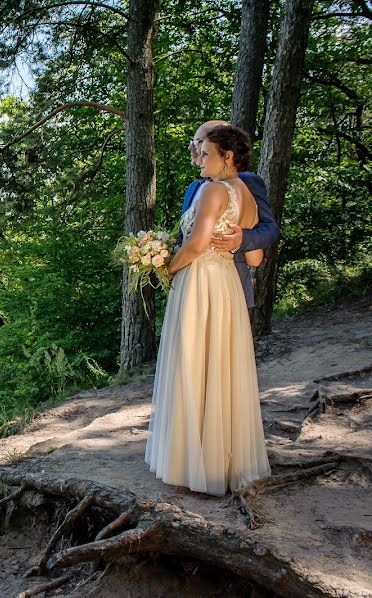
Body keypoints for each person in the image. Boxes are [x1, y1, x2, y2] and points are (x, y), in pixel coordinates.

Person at [145, 124, 271, 495]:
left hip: (200, 284)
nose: (198, 156)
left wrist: (164, 270)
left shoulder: (216, 189)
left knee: (194, 362)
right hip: (227, 288)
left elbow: (198, 244)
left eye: (205, 151)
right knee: (221, 366)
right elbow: (255, 257)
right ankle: (225, 462)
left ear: (227, 157)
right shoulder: (244, 193)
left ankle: (196, 463)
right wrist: (236, 241)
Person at [182, 120, 280, 309]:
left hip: (228, 279)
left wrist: (242, 239)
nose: (192, 147)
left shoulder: (246, 181)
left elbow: (271, 228)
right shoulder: (193, 188)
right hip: (191, 282)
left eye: (198, 141)